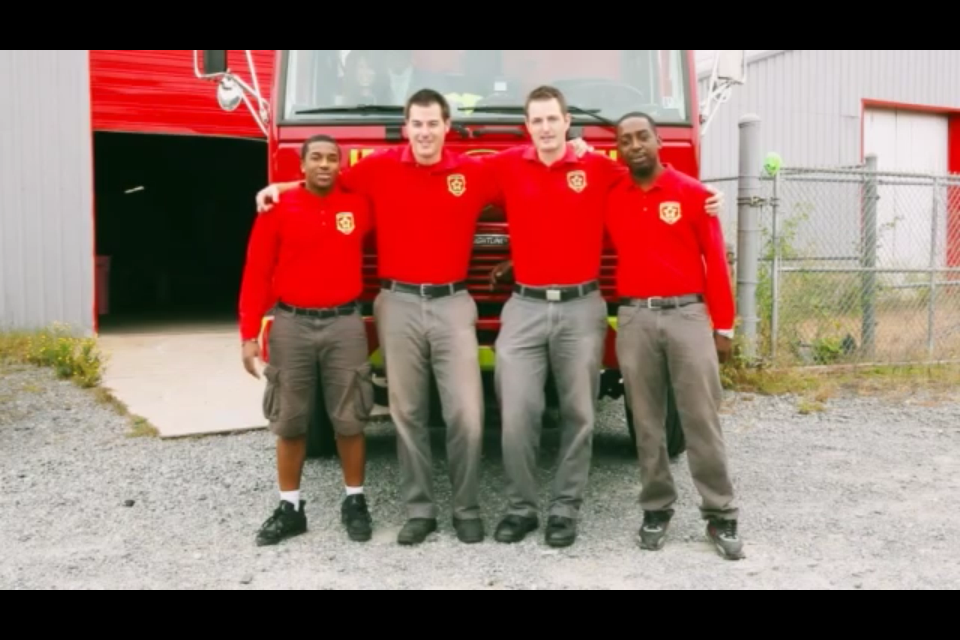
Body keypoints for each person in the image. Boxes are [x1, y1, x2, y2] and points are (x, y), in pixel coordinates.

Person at [604, 112, 743, 560]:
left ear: (659, 140)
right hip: (635, 319)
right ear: (619, 149)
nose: (635, 145)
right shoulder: (613, 194)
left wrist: (723, 326)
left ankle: (720, 513)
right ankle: (656, 507)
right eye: (625, 140)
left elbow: (715, 263)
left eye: (642, 136)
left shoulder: (693, 194)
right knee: (646, 423)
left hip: (687, 316)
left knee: (701, 419)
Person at [239, 134, 376, 547]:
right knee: (290, 420)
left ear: (340, 165)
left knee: (350, 418)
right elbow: (257, 271)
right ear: (301, 166)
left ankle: (355, 501)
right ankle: (290, 508)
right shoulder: (277, 209)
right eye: (315, 157)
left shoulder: (358, 206)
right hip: (292, 324)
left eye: (331, 158)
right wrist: (248, 335)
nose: (324, 164)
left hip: (344, 323)